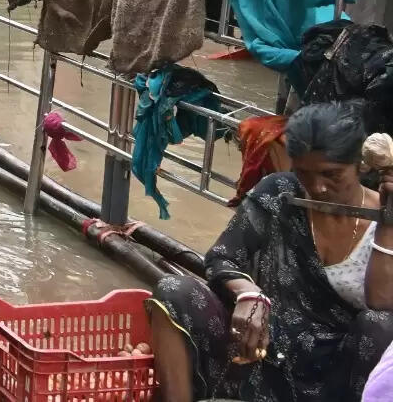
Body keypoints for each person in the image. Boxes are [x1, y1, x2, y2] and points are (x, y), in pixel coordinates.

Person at [149, 102, 393, 402]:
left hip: (335, 376)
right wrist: (249, 293)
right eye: (304, 174)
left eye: (332, 175)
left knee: (382, 326)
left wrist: (388, 220)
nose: (318, 188)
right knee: (174, 290)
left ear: (360, 165)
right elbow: (221, 257)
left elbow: (383, 302)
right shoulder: (280, 193)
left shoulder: (381, 218)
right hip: (261, 349)